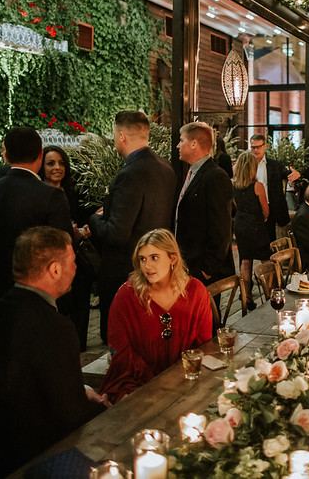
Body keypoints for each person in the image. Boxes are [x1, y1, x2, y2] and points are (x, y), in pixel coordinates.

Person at [0, 227, 107, 476]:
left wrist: (80, 392)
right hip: (34, 458)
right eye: (73, 261)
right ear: (55, 269)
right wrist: (104, 406)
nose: (76, 269)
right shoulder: (54, 327)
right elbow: (71, 416)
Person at [88, 111, 176, 343]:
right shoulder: (165, 168)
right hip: (157, 267)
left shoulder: (130, 173)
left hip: (126, 271)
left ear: (122, 135)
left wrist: (95, 220)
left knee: (122, 343)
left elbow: (117, 233)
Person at [99, 229, 213, 403]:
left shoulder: (196, 291)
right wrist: (155, 382)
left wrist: (176, 378)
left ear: (172, 258)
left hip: (184, 376)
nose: (147, 266)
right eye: (142, 259)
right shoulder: (127, 295)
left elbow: (203, 344)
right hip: (135, 380)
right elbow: (120, 350)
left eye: (154, 257)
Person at [0, 127, 72, 303]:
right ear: (40, 155)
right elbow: (62, 249)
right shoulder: (52, 195)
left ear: (7, 156)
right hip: (40, 295)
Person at [38, 145, 94, 351]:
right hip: (51, 261)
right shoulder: (39, 194)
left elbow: (84, 219)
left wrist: (86, 229)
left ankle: (78, 345)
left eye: (61, 163)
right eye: (51, 163)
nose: (57, 167)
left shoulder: (73, 192)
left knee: (80, 303)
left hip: (77, 257)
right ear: (41, 166)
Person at [174, 122, 235, 288]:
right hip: (186, 263)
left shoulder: (215, 176)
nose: (178, 145)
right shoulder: (190, 172)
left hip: (202, 270)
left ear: (194, 144)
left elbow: (221, 227)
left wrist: (207, 270)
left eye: (181, 140)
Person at [231, 151, 271, 306]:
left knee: (245, 262)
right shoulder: (257, 186)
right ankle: (269, 292)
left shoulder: (234, 185)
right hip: (256, 225)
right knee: (265, 260)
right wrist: (263, 217)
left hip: (241, 225)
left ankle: (246, 297)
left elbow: (236, 206)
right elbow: (265, 209)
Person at [249, 134, 300, 241]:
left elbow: (287, 174)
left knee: (270, 240)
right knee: (253, 242)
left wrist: (295, 175)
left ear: (264, 146)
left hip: (271, 207)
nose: (256, 150)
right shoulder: (246, 165)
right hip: (251, 208)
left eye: (259, 147)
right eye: (253, 147)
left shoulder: (275, 165)